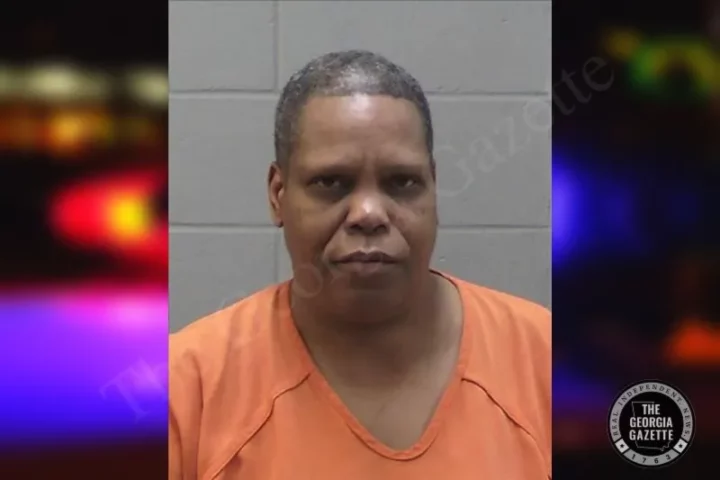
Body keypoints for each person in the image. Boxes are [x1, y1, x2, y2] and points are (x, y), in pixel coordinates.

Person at [169, 50, 551, 480]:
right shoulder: (188, 387)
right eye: (331, 182)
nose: (368, 213)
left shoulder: (546, 359)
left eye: (402, 182)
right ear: (278, 195)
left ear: (433, 188)